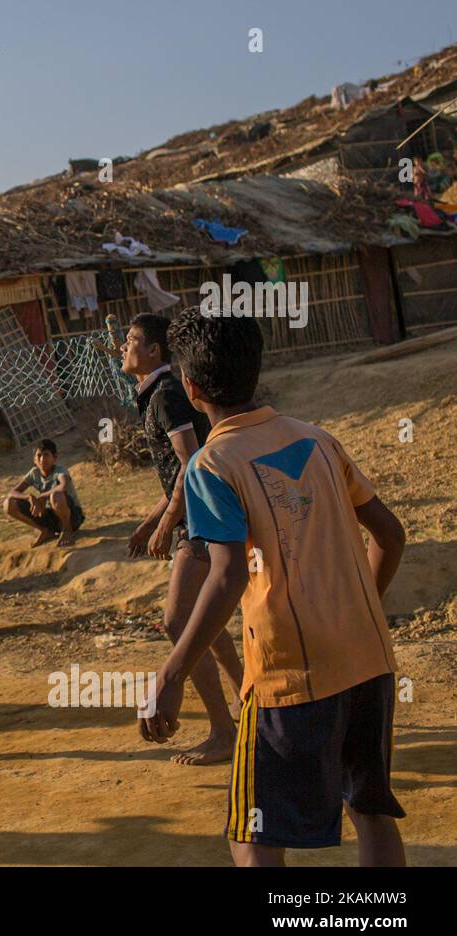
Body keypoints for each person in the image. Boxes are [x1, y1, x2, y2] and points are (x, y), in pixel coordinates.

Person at [140, 309, 407, 867]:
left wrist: (171, 675)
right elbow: (390, 533)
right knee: (373, 814)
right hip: (369, 656)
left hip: (289, 674)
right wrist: (361, 613)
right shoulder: (318, 439)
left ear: (190, 389)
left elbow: (228, 572)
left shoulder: (212, 465)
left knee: (253, 833)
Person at [121, 312, 244, 765]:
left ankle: (223, 732)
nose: (123, 347)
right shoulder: (160, 393)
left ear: (154, 351)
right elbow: (180, 470)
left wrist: (168, 518)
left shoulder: (168, 395)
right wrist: (152, 519)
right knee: (200, 618)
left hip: (200, 519)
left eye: (131, 340)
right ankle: (246, 696)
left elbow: (194, 463)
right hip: (196, 515)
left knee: (178, 621)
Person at [3, 439, 85, 547]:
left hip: (72, 516)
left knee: (56, 495)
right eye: (39, 455)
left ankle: (67, 530)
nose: (42, 459)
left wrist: (43, 496)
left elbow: (64, 486)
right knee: (8, 504)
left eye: (46, 455)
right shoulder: (34, 473)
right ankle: (45, 531)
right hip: (50, 516)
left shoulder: (60, 471)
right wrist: (29, 497)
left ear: (54, 457)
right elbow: (12, 492)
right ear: (34, 459)